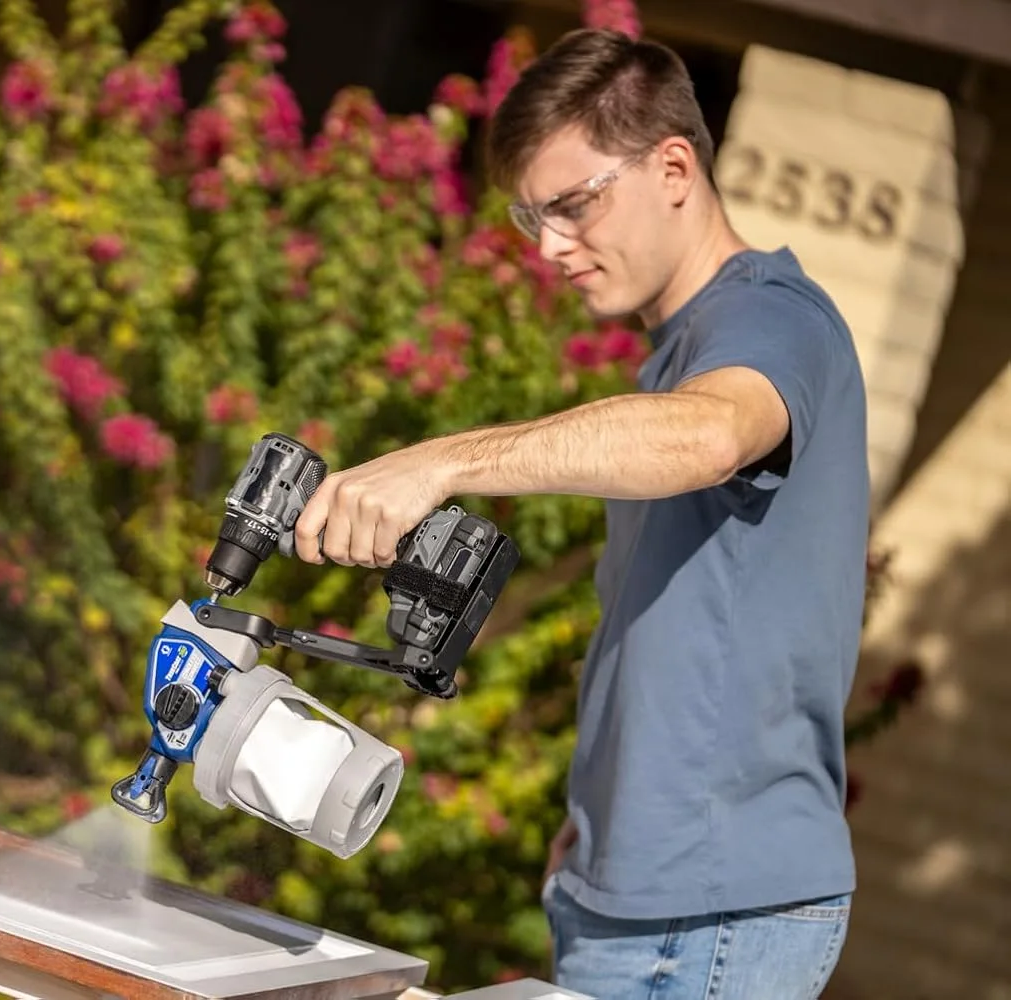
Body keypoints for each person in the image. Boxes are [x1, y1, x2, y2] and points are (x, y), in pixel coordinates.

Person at [292, 26, 869, 1000]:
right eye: (531, 219)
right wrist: (597, 819)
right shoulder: (678, 350)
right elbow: (683, 628)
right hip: (629, 894)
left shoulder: (771, 318)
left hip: (706, 918)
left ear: (674, 165)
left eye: (572, 205)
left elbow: (709, 437)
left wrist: (442, 463)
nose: (552, 248)